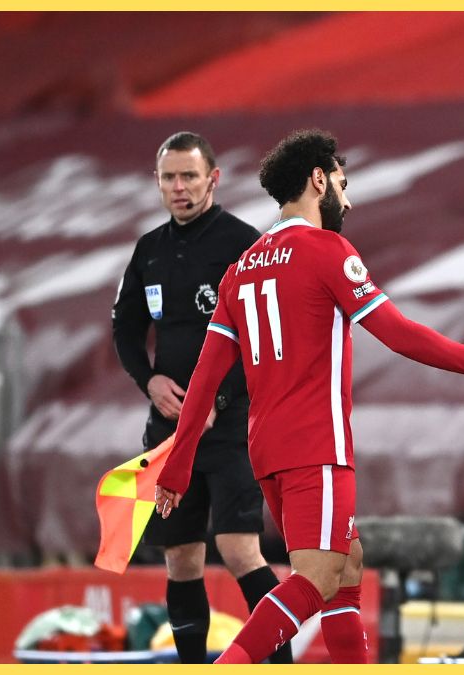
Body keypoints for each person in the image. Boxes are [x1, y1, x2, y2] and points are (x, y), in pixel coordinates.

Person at [153, 129, 464, 664]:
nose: (347, 201)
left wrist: (177, 465)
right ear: (318, 179)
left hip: (266, 450)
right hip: (317, 448)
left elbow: (204, 380)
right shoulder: (328, 250)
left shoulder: (240, 270)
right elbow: (401, 335)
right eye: (344, 185)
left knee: (346, 568)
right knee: (318, 577)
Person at [112, 131, 292, 664]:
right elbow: (125, 330)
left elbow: (264, 337)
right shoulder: (149, 250)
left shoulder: (244, 244)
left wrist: (219, 395)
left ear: (213, 178)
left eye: (189, 176)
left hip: (233, 425)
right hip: (170, 429)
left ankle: (280, 661)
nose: (179, 187)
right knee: (181, 558)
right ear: (157, 183)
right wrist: (149, 381)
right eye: (169, 177)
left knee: (240, 549)